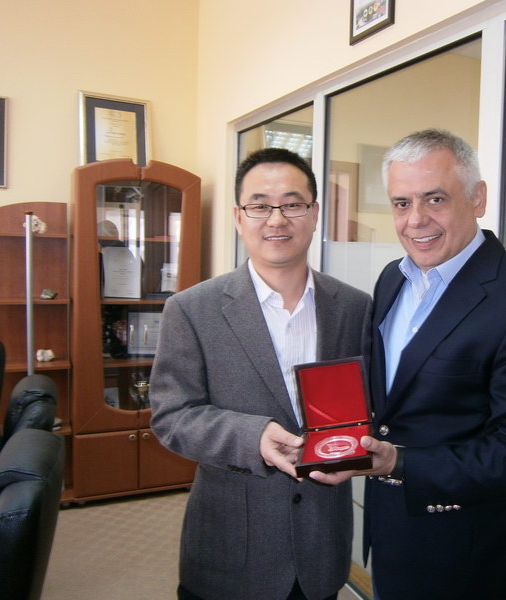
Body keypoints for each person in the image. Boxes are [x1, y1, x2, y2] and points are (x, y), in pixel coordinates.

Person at [310, 130, 506, 599]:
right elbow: (394, 402)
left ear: (477, 198)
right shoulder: (394, 278)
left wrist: (397, 461)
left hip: (471, 554)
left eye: (435, 199)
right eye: (401, 203)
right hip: (393, 532)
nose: (416, 220)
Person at [150, 147, 372, 600]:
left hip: (321, 544)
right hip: (231, 548)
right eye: (259, 206)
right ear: (238, 216)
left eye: (292, 204)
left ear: (314, 214)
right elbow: (172, 416)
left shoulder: (355, 307)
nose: (276, 219)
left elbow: (368, 404)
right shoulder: (191, 309)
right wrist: (252, 437)